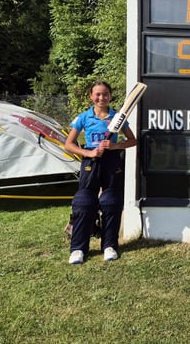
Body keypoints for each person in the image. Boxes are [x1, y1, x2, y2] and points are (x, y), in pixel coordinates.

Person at [64, 81, 137, 264]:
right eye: (97, 94)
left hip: (112, 161)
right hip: (91, 161)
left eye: (105, 94)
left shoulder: (117, 117)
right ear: (91, 96)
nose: (101, 98)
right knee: (84, 203)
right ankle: (78, 249)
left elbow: (132, 140)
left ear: (110, 96)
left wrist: (115, 145)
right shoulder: (84, 117)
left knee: (111, 201)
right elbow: (69, 144)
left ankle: (109, 246)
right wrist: (89, 152)